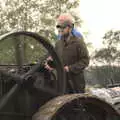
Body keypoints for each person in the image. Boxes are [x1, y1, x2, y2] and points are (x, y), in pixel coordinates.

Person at [45, 13, 89, 93]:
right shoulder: (58, 43)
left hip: (76, 83)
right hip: (62, 83)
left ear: (70, 28)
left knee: (77, 105)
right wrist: (50, 63)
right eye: (59, 26)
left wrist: (69, 68)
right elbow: (55, 58)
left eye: (63, 27)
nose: (60, 29)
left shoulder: (79, 42)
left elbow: (85, 61)